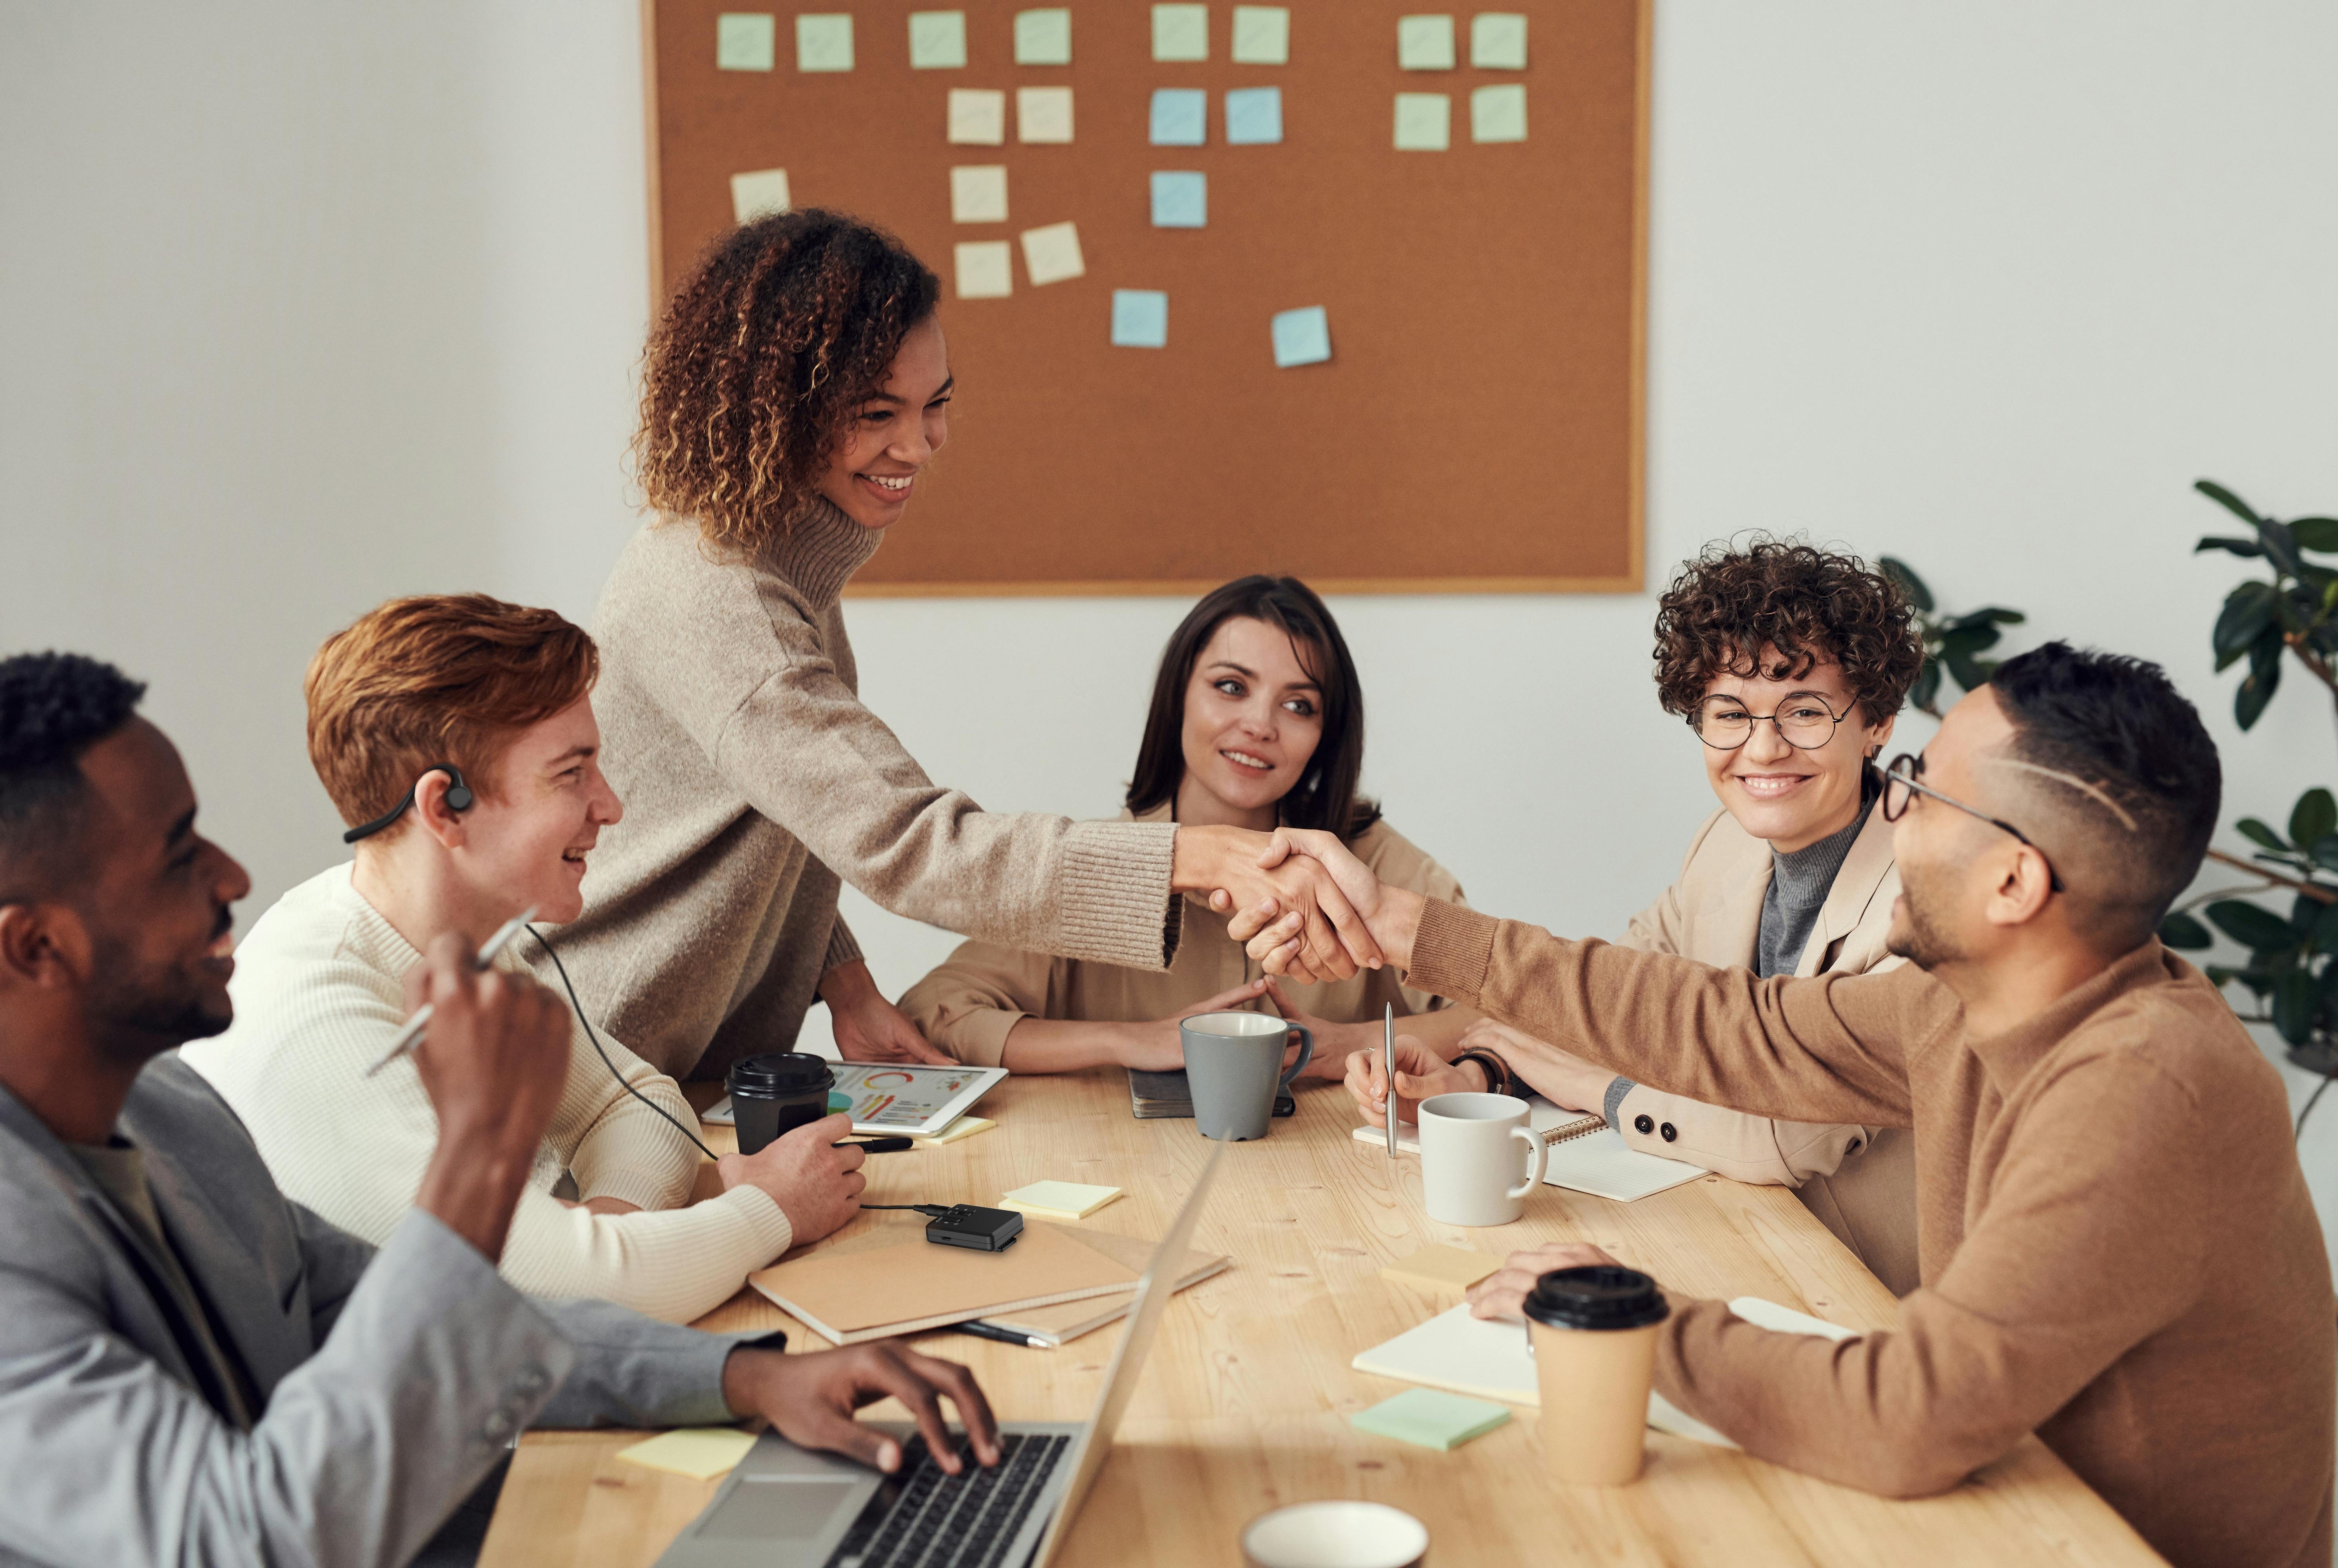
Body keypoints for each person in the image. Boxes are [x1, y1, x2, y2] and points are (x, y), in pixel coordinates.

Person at [1241, 642, 2335, 1568]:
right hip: (2005, 1501)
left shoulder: (2144, 1090)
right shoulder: (1972, 1001)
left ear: (2015, 884)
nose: (1888, 810)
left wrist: (1636, 1321)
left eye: (1917, 788)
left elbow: (1907, 1416)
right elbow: (1734, 1028)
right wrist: (1407, 928)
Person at [0, 652, 999, 1568]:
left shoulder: (169, 1114)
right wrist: (481, 1153)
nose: (234, 876)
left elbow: (430, 1319)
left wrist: (744, 1381)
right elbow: (252, 1542)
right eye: (179, 857)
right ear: (35, 947)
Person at [547, 209, 1382, 1085]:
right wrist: (1197, 855)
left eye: (936, 404)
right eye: (878, 413)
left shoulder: (774, 570)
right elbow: (911, 842)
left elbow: (785, 810)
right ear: (777, 410)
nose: (919, 445)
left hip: (672, 1072)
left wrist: (845, 981)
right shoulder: (721, 598)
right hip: (594, 1067)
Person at [183, 596, 860, 1324]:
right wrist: (770, 1209)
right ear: (444, 808)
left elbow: (637, 1104)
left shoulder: (453, 938)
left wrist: (608, 1237)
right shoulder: (321, 1022)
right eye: (571, 774)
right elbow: (562, 1305)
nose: (610, 807)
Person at [1354, 540, 1926, 1290]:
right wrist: (1481, 1073)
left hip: (1872, 1289)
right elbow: (1613, 998)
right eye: (1730, 713)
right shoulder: (1724, 844)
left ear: (1877, 720)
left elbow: (1787, 1139)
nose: (1762, 748)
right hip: (1736, 1237)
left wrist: (1597, 1090)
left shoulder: (1926, 893)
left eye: (1805, 712)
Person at [898, 576, 1476, 1076]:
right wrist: (1130, 1040)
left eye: (1298, 705)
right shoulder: (1094, 869)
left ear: (1326, 737)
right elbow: (934, 1012)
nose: (1259, 724)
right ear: (1178, 696)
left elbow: (1512, 1013)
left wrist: (1361, 1042)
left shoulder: (1377, 867)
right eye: (1231, 687)